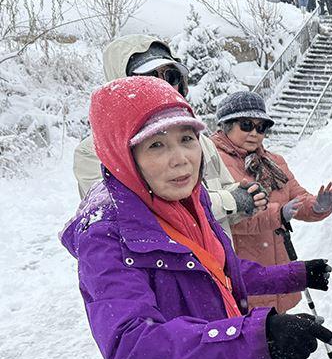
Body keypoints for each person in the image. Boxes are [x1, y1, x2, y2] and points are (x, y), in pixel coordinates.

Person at [60, 76, 332, 359]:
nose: (180, 160)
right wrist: (255, 336)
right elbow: (133, 347)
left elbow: (219, 273)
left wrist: (296, 273)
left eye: (187, 139)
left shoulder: (188, 200)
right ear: (120, 150)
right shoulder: (105, 234)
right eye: (156, 145)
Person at [211, 91, 332, 359]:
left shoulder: (274, 162)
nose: (255, 132)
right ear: (225, 125)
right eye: (246, 124)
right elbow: (227, 215)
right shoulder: (213, 162)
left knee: (276, 326)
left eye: (262, 126)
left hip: (278, 257)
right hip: (243, 263)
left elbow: (296, 197)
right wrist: (278, 214)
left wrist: (317, 207)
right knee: (248, 330)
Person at [72, 35, 263, 240]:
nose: (164, 86)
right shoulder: (96, 151)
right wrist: (230, 201)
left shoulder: (200, 140)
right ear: (122, 83)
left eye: (170, 77)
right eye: (149, 78)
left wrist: (247, 196)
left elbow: (224, 198)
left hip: (217, 263)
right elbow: (137, 213)